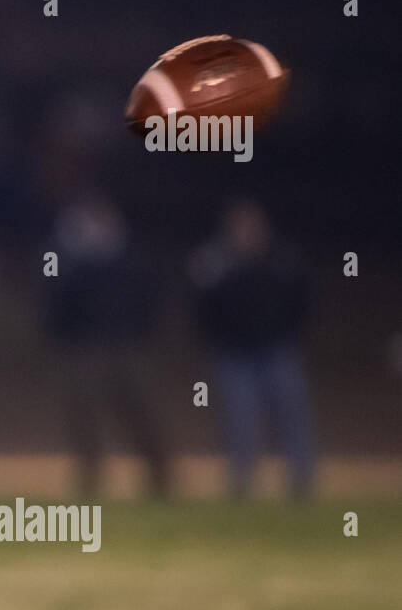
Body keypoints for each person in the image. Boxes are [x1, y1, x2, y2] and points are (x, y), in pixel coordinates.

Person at [44, 195, 169, 499]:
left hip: (127, 347)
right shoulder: (67, 260)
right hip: (84, 349)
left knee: (140, 413)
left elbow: (149, 300)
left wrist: (139, 334)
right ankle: (90, 480)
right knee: (84, 417)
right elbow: (53, 302)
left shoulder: (130, 259)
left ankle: (160, 478)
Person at [189, 200, 314, 499]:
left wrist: (288, 332)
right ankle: (241, 482)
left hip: (277, 349)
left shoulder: (282, 260)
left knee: (293, 415)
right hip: (235, 354)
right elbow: (202, 307)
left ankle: (301, 482)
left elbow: (303, 301)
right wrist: (217, 339)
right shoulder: (216, 264)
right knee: (241, 419)